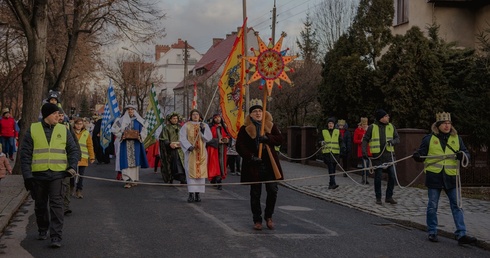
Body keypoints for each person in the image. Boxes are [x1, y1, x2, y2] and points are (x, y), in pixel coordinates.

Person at [21, 103, 80, 248]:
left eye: (59, 114)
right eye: (55, 114)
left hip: (57, 175)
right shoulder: (33, 129)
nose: (58, 117)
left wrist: (72, 167)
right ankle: (42, 229)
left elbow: (73, 150)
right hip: (38, 176)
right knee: (40, 205)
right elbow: (25, 154)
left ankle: (56, 236)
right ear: (47, 115)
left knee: (56, 205)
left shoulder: (63, 129)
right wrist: (27, 176)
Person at [412, 112, 477, 245]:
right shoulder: (428, 139)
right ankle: (432, 231)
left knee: (457, 206)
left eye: (449, 123)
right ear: (438, 125)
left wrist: (463, 156)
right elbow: (422, 154)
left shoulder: (456, 138)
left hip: (451, 177)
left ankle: (461, 234)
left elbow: (466, 154)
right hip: (434, 176)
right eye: (444, 124)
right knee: (432, 206)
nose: (447, 126)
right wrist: (417, 156)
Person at [236, 104, 284, 230]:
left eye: (260, 111)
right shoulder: (245, 128)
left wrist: (268, 138)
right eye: (255, 111)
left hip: (269, 164)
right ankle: (257, 219)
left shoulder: (270, 126)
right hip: (254, 164)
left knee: (273, 191)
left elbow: (280, 139)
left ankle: (269, 216)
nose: (258, 113)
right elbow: (240, 146)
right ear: (250, 114)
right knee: (255, 193)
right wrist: (250, 157)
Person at [362, 109, 400, 205]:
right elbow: (365, 139)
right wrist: (364, 151)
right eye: (386, 116)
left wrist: (393, 142)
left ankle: (389, 196)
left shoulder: (391, 126)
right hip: (377, 156)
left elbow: (397, 138)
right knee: (378, 177)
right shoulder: (372, 127)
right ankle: (378, 197)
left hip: (389, 156)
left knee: (392, 176)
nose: (388, 117)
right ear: (381, 118)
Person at [179, 109, 212, 202]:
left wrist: (203, 130)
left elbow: (208, 138)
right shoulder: (186, 125)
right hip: (191, 153)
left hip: (201, 152)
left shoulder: (204, 125)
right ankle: (191, 193)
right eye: (193, 114)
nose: (195, 116)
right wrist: (188, 146)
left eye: (197, 114)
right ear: (191, 116)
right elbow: (182, 137)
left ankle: (198, 194)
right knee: (190, 173)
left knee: (200, 174)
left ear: (200, 115)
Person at [118, 105, 149, 188]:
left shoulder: (139, 121)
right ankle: (127, 180)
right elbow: (114, 129)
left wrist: (140, 136)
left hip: (136, 144)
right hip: (125, 143)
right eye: (128, 109)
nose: (130, 111)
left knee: (135, 161)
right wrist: (121, 135)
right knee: (125, 160)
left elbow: (145, 129)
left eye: (132, 109)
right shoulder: (121, 121)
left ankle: (134, 179)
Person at [159, 112, 187, 184]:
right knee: (173, 163)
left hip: (181, 149)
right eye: (174, 118)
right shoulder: (166, 128)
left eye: (176, 118)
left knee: (182, 163)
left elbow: (184, 136)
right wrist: (169, 144)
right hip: (171, 150)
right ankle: (172, 177)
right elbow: (164, 138)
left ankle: (182, 177)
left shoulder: (180, 127)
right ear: (170, 119)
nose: (175, 120)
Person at [206, 114, 231, 190]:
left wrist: (226, 139)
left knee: (221, 164)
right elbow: (207, 139)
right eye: (216, 118)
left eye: (219, 117)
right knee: (214, 164)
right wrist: (217, 141)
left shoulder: (224, 127)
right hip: (213, 149)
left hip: (222, 149)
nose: (217, 119)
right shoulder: (210, 128)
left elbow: (228, 136)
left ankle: (219, 179)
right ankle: (216, 178)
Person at [73, 118, 95, 198]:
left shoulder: (86, 133)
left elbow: (90, 145)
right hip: (73, 157)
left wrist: (92, 156)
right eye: (77, 124)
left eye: (80, 124)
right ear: (74, 124)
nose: (79, 126)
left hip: (83, 158)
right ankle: (71, 188)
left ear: (83, 125)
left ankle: (79, 190)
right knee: (72, 174)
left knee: (81, 175)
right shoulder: (71, 132)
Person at [321, 117, 345, 189]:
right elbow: (319, 139)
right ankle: (333, 183)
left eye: (331, 123)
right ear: (327, 124)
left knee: (333, 168)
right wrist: (321, 142)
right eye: (329, 123)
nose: (330, 125)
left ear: (334, 124)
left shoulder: (337, 131)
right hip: (327, 153)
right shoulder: (324, 131)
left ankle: (331, 183)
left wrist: (343, 147)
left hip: (335, 153)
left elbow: (340, 141)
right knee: (330, 167)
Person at [353, 117, 371, 184]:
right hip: (361, 150)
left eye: (366, 124)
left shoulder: (368, 129)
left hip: (368, 149)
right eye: (363, 124)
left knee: (368, 164)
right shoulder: (358, 130)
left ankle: (366, 177)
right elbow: (355, 140)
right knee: (364, 164)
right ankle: (364, 178)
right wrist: (360, 141)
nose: (365, 125)